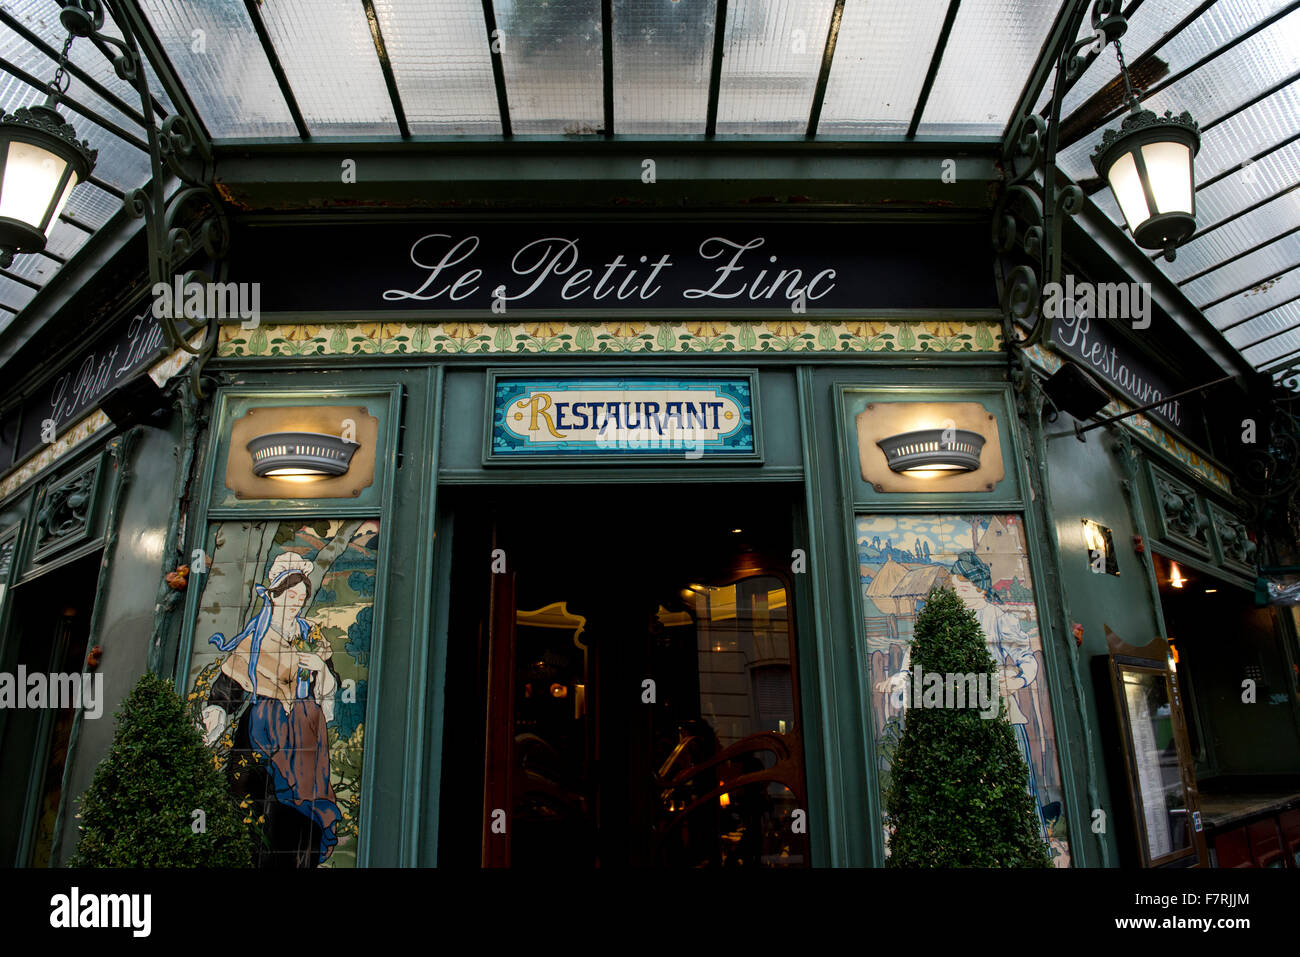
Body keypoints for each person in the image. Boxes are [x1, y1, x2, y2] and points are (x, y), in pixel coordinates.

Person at [200, 553, 341, 867]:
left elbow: (331, 690)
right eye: (291, 595)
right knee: (265, 809)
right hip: (263, 732)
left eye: (302, 597)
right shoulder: (254, 640)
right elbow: (228, 688)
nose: (297, 603)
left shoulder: (311, 636)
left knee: (306, 814)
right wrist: (216, 712)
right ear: (274, 594)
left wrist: (322, 668)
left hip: (306, 737)